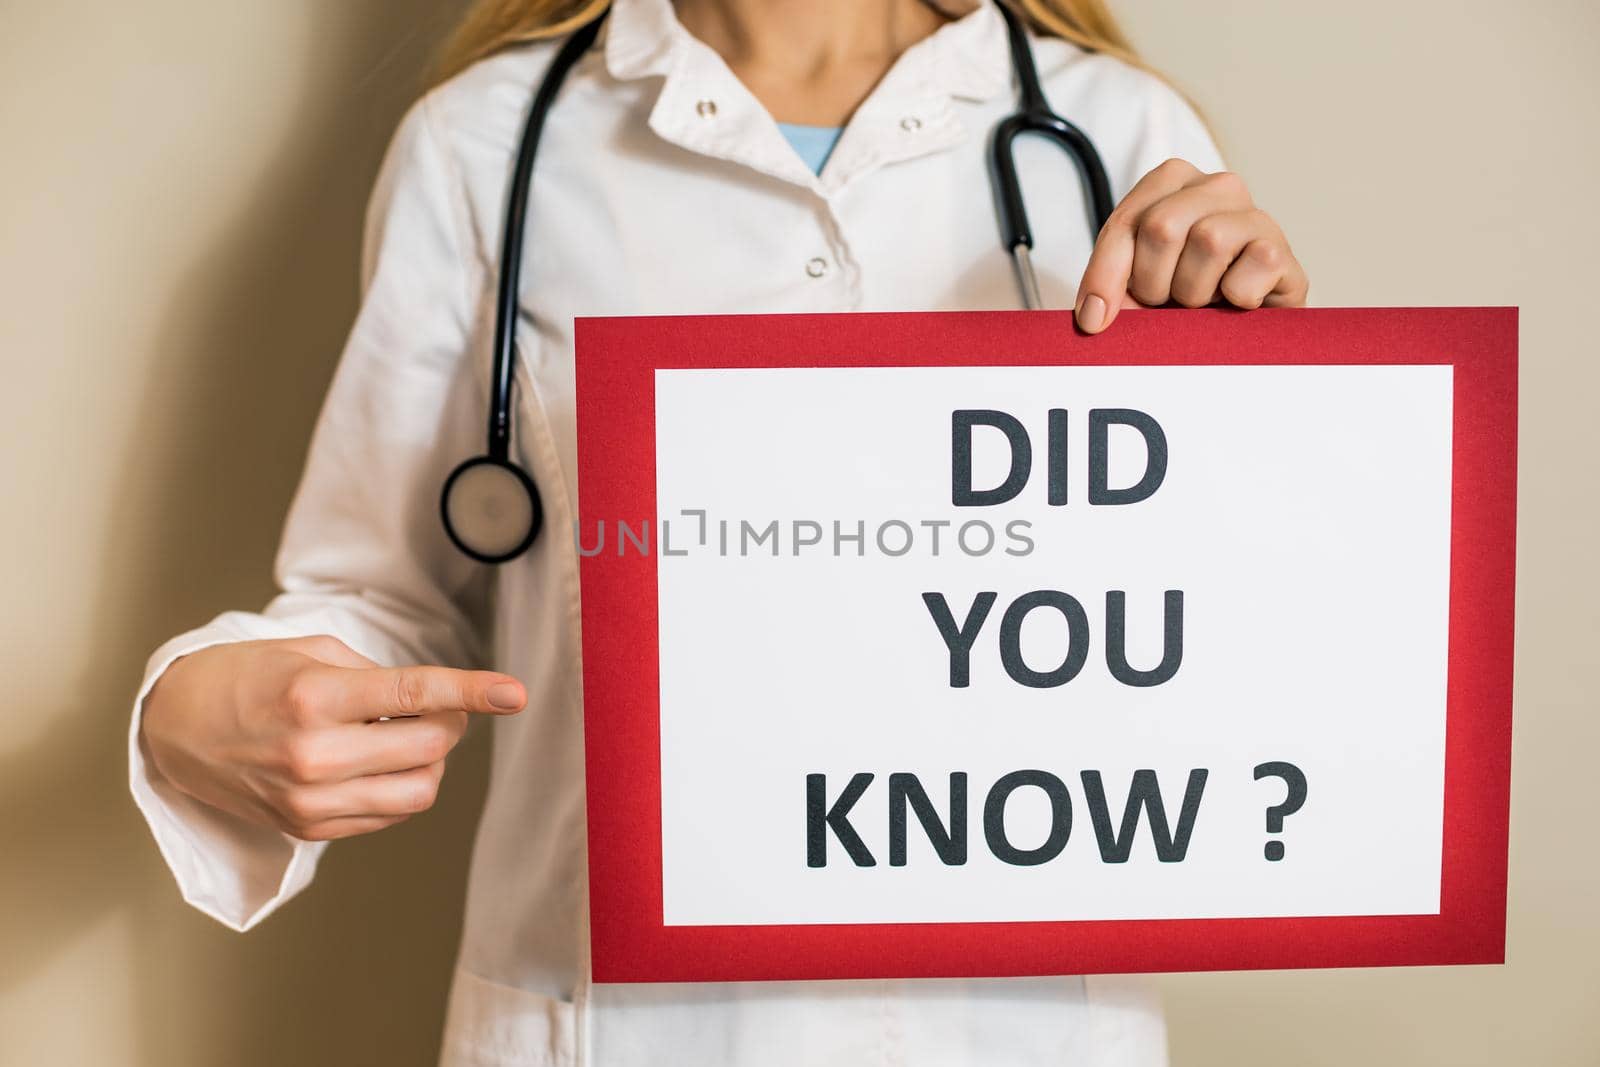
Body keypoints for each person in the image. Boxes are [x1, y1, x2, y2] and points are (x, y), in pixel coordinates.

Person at [130, 0, 1309, 1063]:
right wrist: (196, 702)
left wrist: (1262, 367)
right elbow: (380, 594)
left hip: (1019, 1024)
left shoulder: (1114, 127)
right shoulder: (486, 141)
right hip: (621, 1024)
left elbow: (1207, 608)